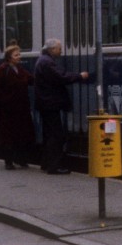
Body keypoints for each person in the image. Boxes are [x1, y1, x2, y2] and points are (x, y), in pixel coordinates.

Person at [33, 38, 89, 174]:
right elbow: (61, 77)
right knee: (56, 135)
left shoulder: (43, 60)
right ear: (52, 49)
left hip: (45, 103)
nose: (61, 51)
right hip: (50, 104)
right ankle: (54, 166)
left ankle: (46, 163)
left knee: (48, 134)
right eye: (59, 48)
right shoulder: (47, 63)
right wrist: (79, 76)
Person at [0, 44, 34, 170]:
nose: (19, 57)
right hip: (8, 109)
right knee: (8, 136)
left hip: (22, 108)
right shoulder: (2, 70)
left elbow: (31, 79)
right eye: (16, 55)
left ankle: (21, 159)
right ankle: (8, 161)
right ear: (9, 57)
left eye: (19, 54)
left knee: (22, 134)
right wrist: (4, 100)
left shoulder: (20, 69)